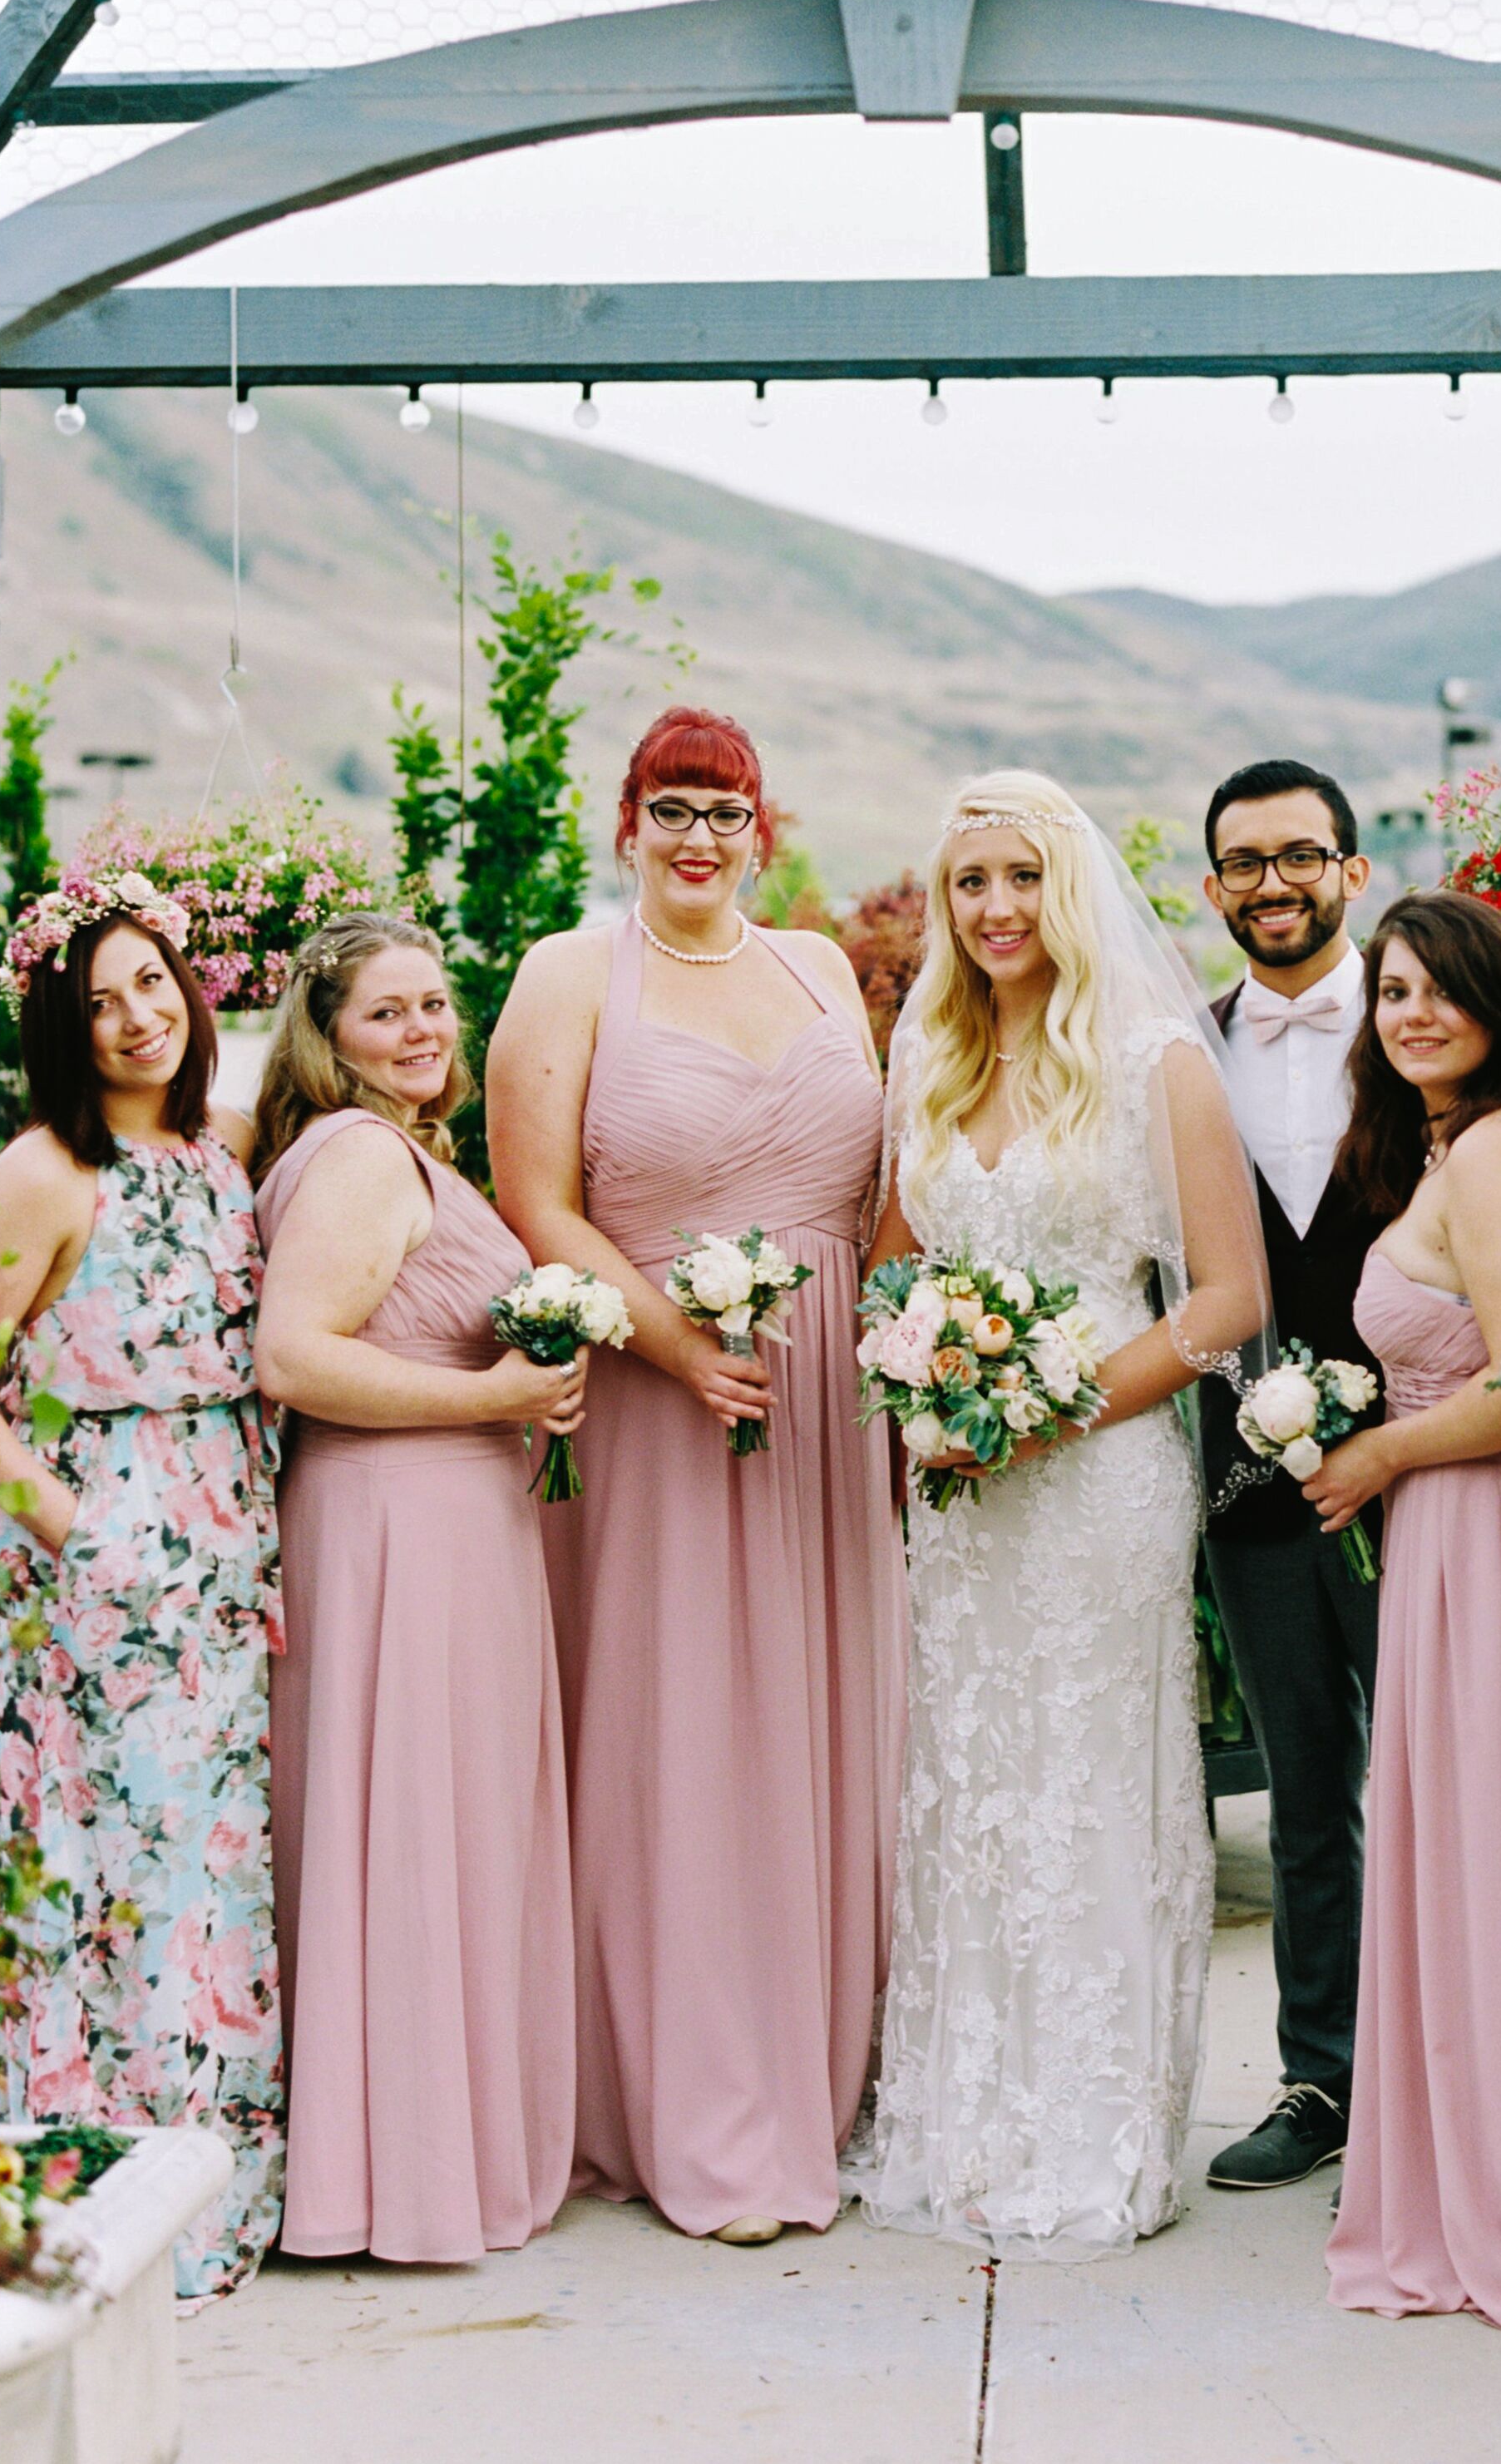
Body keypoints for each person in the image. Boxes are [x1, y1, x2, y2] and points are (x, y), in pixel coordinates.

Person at [488, 704, 906, 2249]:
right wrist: (675, 1347)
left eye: (723, 810)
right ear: (625, 823)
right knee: (679, 1731)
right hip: (659, 1407)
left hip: (821, 1406)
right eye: (670, 807)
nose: (697, 838)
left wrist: (896, 1353)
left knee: (815, 1718)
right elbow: (533, 1195)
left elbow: (874, 1190)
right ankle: (681, 2092)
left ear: (763, 828)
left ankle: (823, 2069)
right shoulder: (568, 972)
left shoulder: (814, 968)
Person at [846, 769, 1273, 2259]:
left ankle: (1095, 2128)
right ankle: (965, 2121)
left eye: (1021, 876)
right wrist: (924, 1385)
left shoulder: (1156, 1059)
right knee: (970, 1780)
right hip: (966, 1489)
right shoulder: (931, 1056)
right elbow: (895, 1270)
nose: (995, 908)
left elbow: (1226, 1302)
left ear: (1069, 886)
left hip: (1101, 1476)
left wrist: (1044, 1408)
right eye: (969, 882)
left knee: (1091, 1779)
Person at [0, 878, 283, 2303]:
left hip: (222, 1563)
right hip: (92, 1571)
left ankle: (210, 2200)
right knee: (95, 1879)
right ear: (60, 1029)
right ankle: (87, 2203)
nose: (138, 1018)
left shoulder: (223, 1153)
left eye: (153, 983)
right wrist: (75, 1528)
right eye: (101, 1001)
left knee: (206, 1877)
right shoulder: (41, 1171)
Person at [250, 913, 581, 2266]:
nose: (423, 1030)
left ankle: (409, 2157)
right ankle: (399, 2179)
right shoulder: (360, 1158)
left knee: (429, 1835)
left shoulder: (393, 1152)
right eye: (386, 1011)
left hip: (443, 1523)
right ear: (327, 1034)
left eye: (437, 1003)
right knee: (414, 1835)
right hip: (402, 1525)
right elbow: (293, 1357)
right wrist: (496, 1392)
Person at [1315, 890, 1501, 2334]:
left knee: (1489, 1843)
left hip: (1493, 1534)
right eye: (1390, 992)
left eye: (1440, 988)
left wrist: (1376, 1448)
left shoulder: (1500, 1146)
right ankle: (1484, 2159)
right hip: (1450, 1532)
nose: (1412, 1012)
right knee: (1469, 1844)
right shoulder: (1455, 1140)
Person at [1194, 761, 1381, 2194]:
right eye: (1245, 862)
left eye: (1299, 856)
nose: (1274, 882)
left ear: (1352, 871)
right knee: (1307, 1788)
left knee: (1463, 1776)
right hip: (1253, 1493)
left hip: (1440, 1473)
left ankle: (1463, 2067)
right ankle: (1321, 2074)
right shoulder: (1182, 1058)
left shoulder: (1438, 1027)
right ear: (1212, 890)